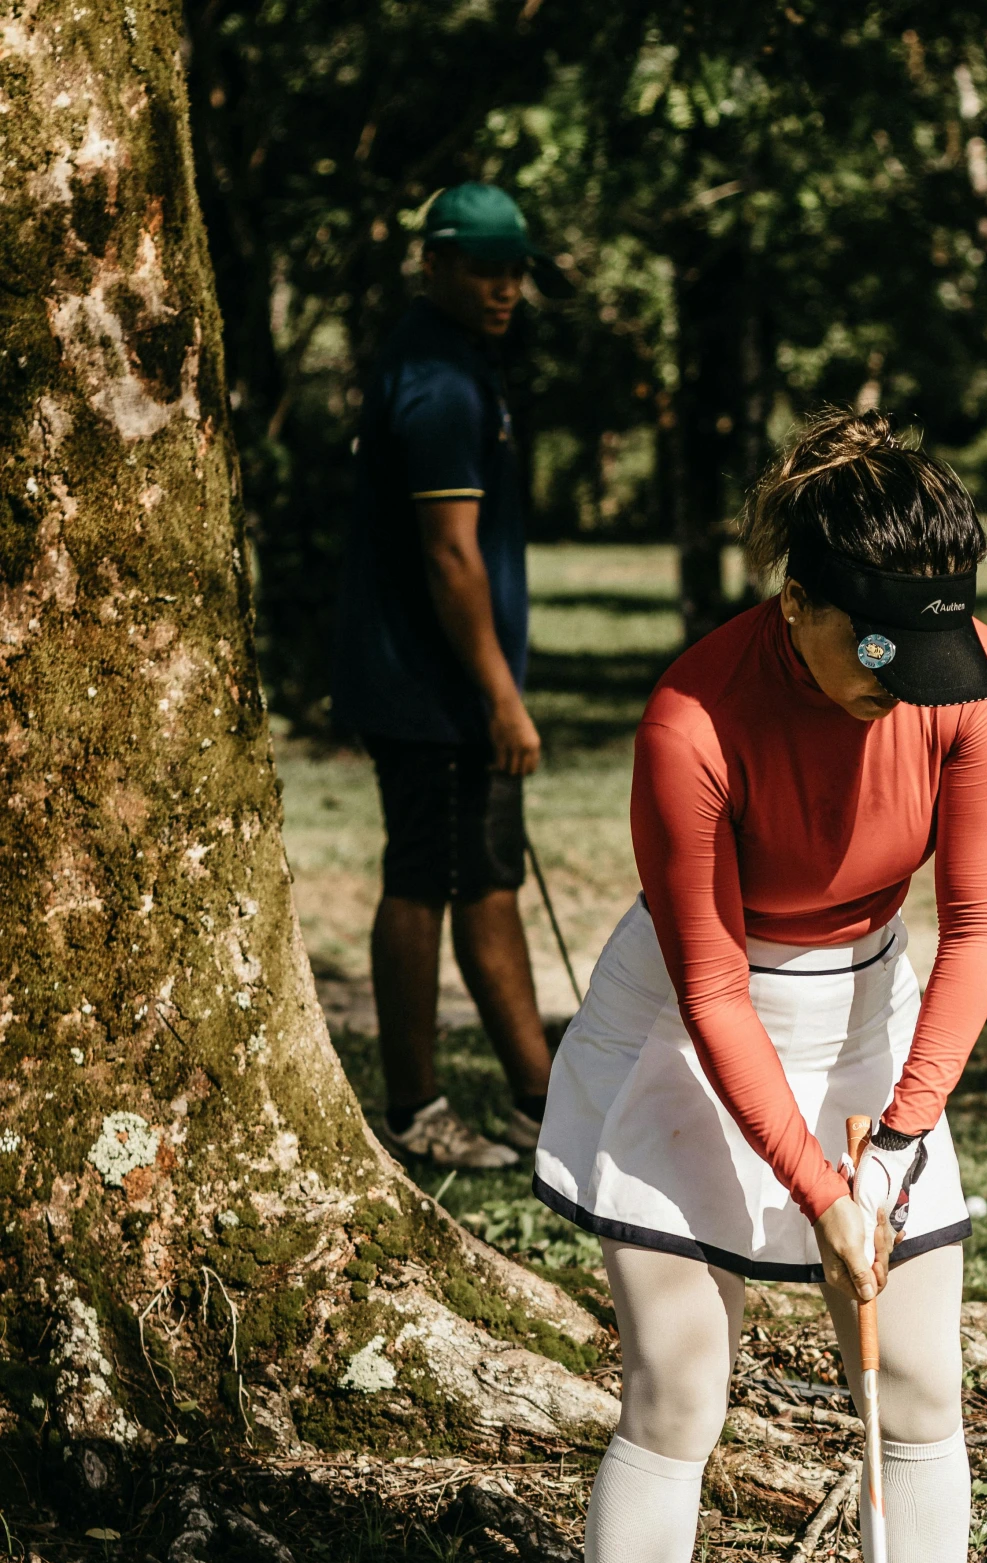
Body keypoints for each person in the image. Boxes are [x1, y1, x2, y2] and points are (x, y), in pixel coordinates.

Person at [534, 409, 987, 1563]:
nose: (903, 697)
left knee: (917, 1379)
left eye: (924, 662)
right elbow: (703, 978)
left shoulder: (961, 676)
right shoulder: (692, 717)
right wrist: (810, 1185)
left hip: (871, 1021)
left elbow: (980, 923)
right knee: (681, 1382)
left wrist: (893, 1138)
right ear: (796, 607)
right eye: (870, 656)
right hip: (701, 1025)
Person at [333, 182, 554, 1170]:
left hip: (453, 684)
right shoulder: (437, 382)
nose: (505, 287)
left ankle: (539, 1098)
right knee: (427, 879)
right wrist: (502, 693)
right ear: (435, 263)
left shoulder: (463, 360)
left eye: (515, 268)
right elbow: (448, 555)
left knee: (488, 877)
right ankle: (416, 1107)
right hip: (432, 687)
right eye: (484, 268)